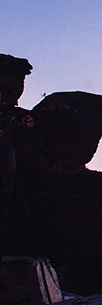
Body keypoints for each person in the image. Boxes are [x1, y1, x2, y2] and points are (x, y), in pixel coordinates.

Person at [0, 89, 33, 259]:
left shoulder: (7, 114)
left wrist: (26, 127)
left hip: (6, 174)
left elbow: (18, 137)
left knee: (4, 215)